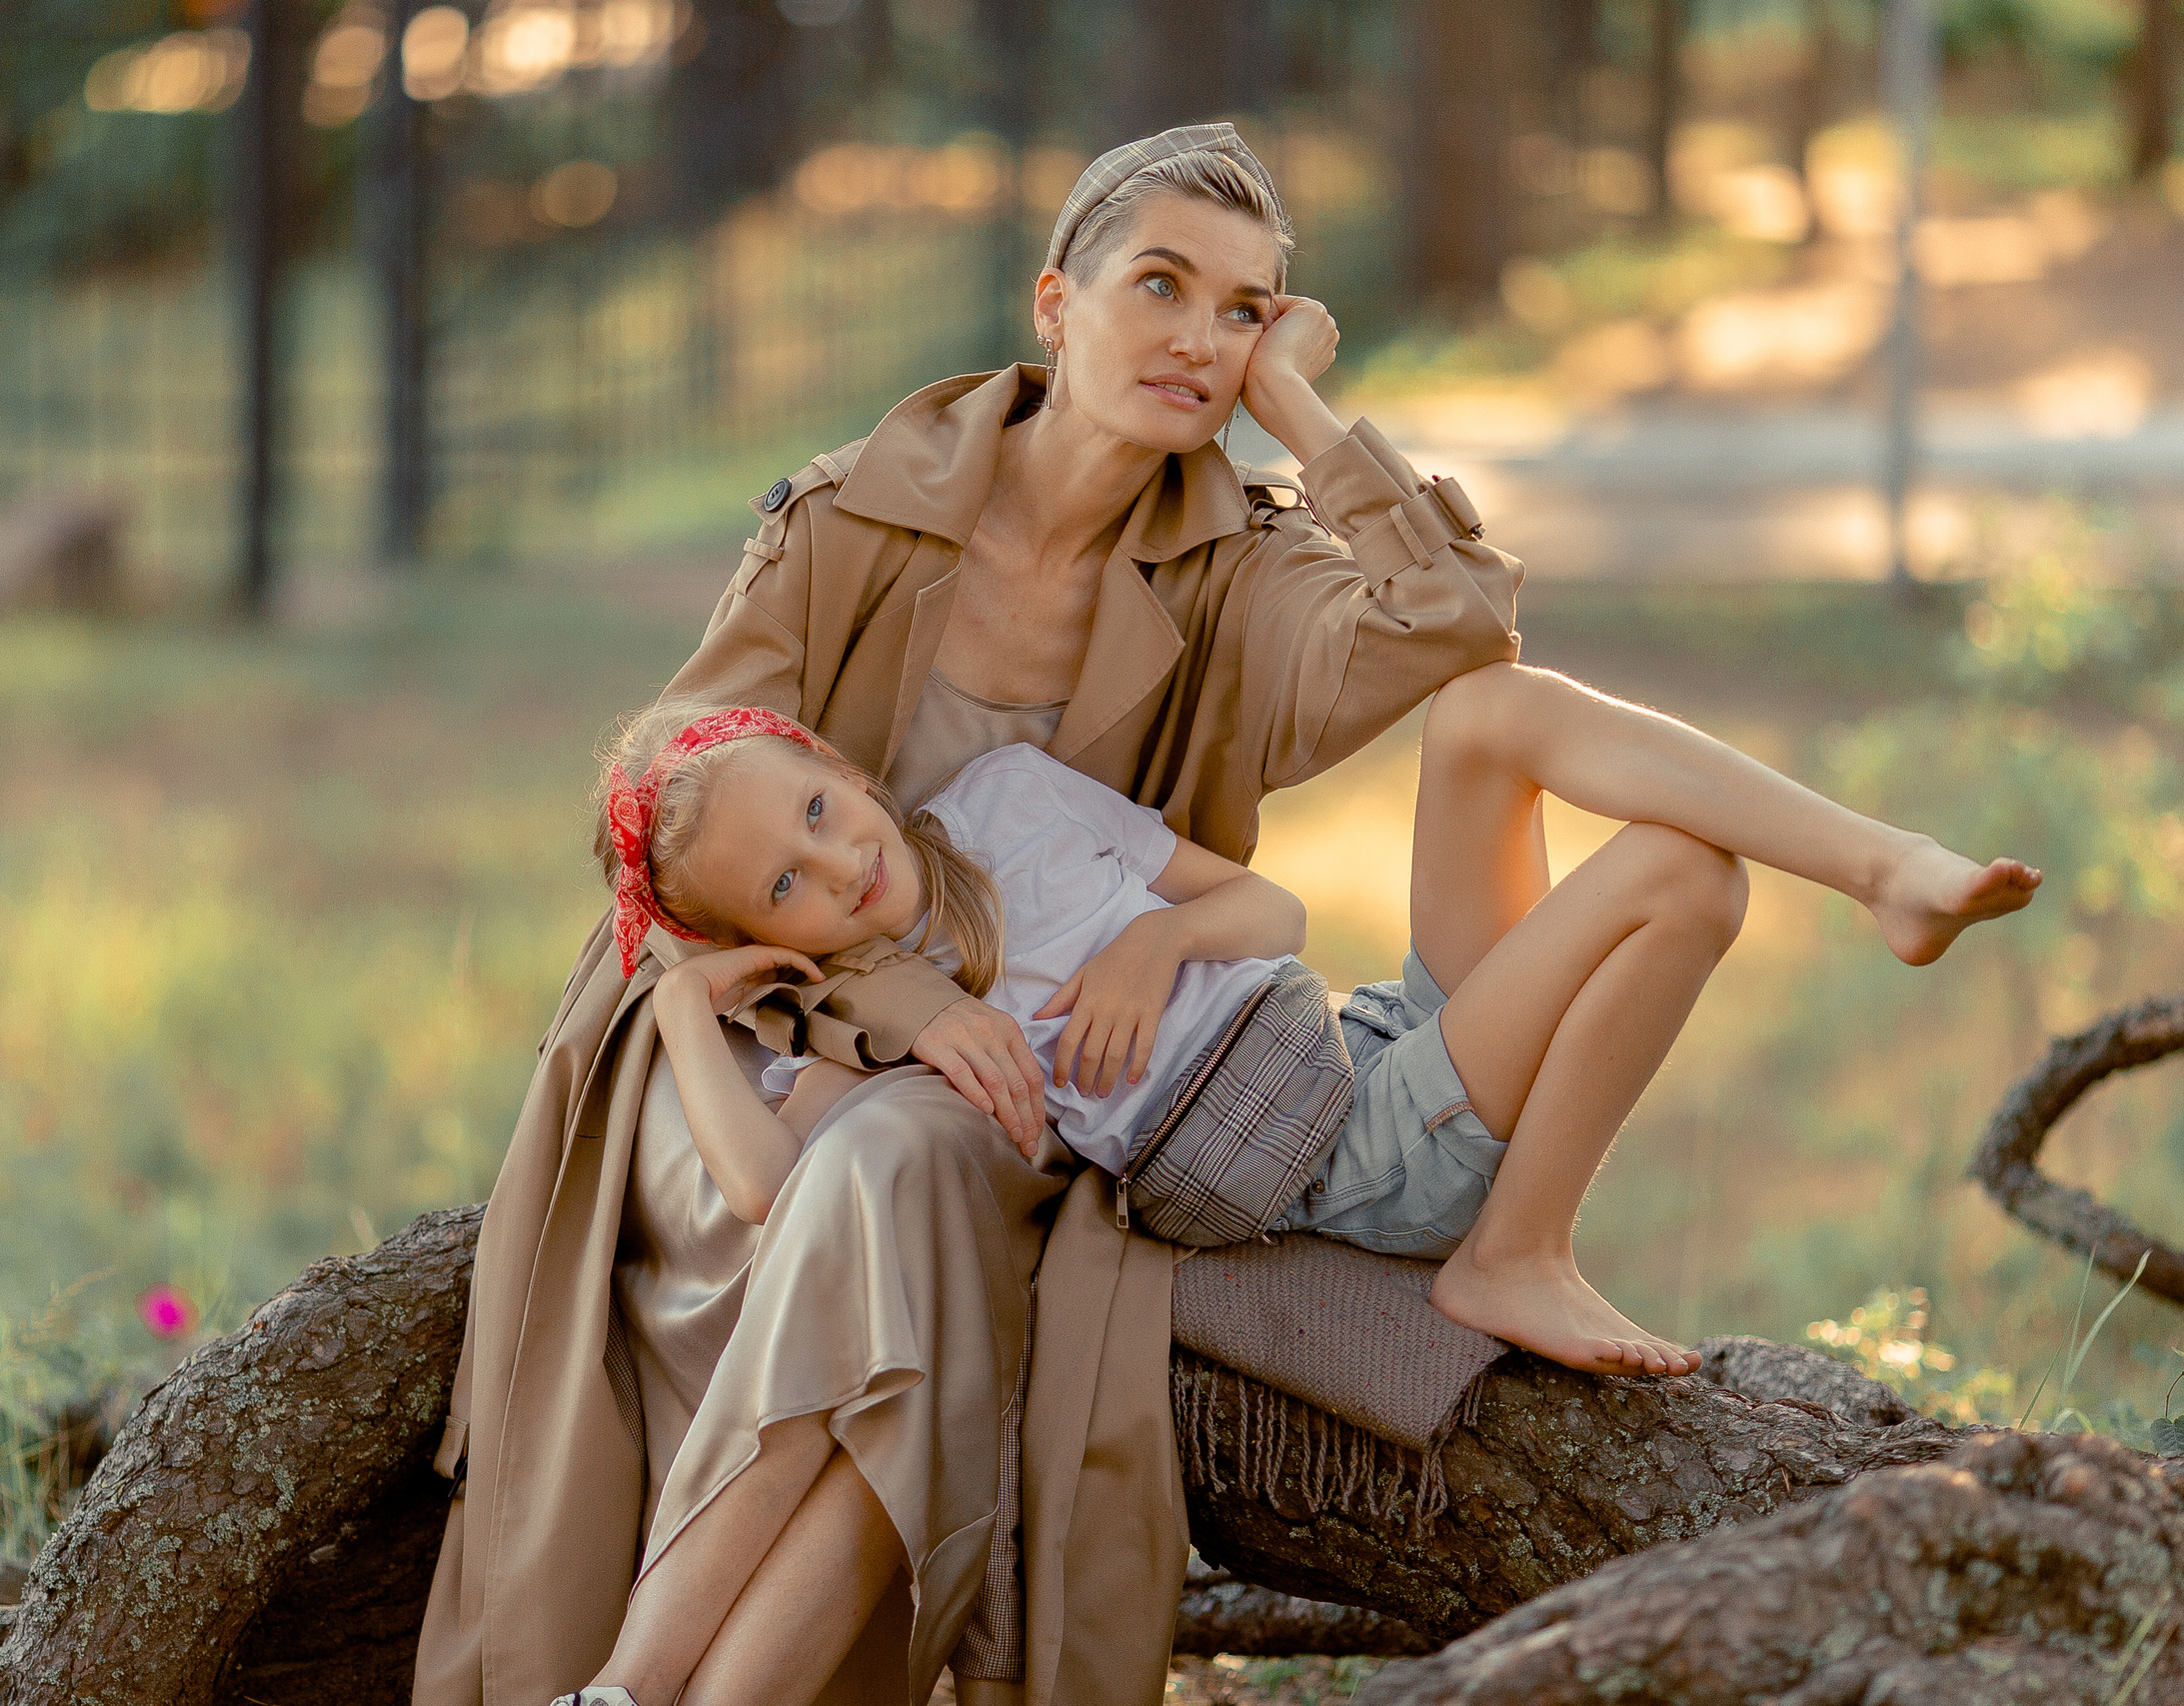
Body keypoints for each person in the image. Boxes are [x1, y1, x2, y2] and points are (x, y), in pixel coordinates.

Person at [420, 122, 1530, 1706]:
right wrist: (900, 1009)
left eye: (1244, 310)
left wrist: (1300, 408)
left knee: (913, 1174)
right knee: (883, 1168)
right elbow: (664, 844)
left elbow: (1463, 626)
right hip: (754, 1031)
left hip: (1022, 1077)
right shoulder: (850, 519)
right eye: (1160, 285)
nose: (1199, 340)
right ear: (1054, 302)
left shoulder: (1233, 568)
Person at [589, 700, 2037, 1400]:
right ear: (764, 936)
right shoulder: (886, 1017)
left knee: (1483, 713)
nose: (832, 869)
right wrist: (675, 1004)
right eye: (782, 886)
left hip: (1362, 1040)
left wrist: (1155, 943)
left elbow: (1267, 905)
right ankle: (1513, 1250)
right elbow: (772, 1188)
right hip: (1352, 1155)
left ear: (849, 774)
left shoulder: (1003, 797)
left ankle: (1882, 864)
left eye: (821, 816)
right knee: (1683, 877)